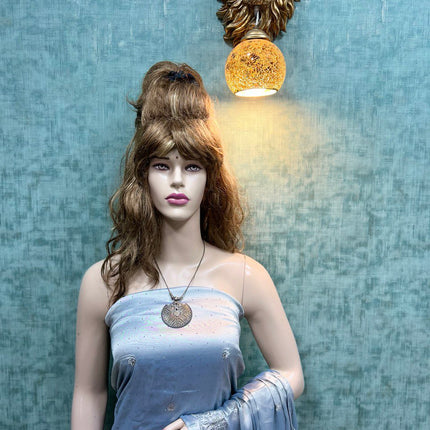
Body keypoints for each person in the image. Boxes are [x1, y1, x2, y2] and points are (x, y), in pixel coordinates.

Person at [71, 61, 304, 430]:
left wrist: (216, 421)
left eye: (192, 166)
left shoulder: (245, 276)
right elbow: (89, 394)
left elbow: (291, 374)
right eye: (162, 166)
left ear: (210, 177)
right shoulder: (103, 282)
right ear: (143, 176)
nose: (177, 180)